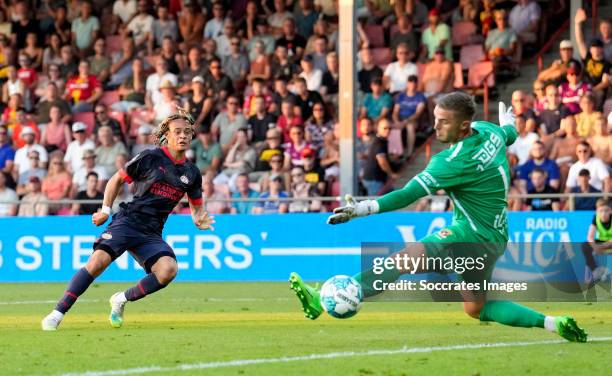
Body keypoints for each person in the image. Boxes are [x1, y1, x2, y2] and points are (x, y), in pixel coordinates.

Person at [289, 92, 588, 343]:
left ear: (464, 125)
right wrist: (510, 124)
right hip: (495, 238)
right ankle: (553, 323)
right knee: (475, 308)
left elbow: (408, 194)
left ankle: (334, 296)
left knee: (405, 259)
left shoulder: (449, 162)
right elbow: (509, 133)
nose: (436, 126)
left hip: (468, 234)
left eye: (444, 122)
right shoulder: (490, 132)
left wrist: (365, 208)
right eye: (435, 118)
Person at [41, 110, 215, 331]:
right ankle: (57, 313)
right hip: (128, 221)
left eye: (187, 132)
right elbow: (116, 180)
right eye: (177, 132)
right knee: (97, 262)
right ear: (167, 135)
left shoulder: (192, 173)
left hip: (151, 232)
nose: (182, 136)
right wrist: (105, 210)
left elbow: (196, 206)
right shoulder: (150, 157)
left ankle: (120, 299)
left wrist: (199, 219)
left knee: (168, 270)